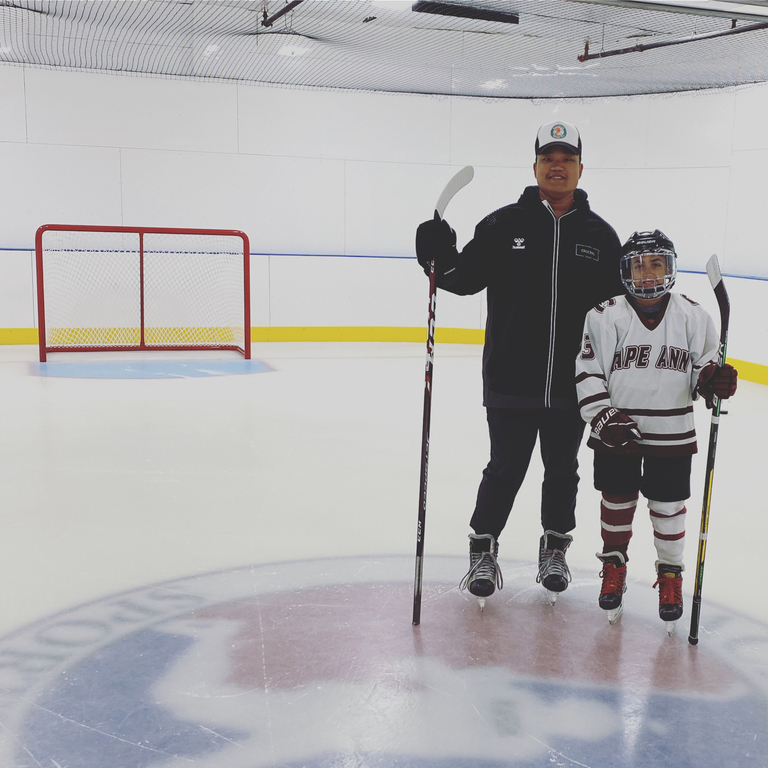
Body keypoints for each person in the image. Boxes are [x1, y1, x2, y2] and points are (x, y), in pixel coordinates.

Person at [415, 120, 623, 606]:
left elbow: (618, 312)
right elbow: (461, 277)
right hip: (510, 376)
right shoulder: (502, 225)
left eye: (567, 158)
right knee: (505, 466)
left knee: (563, 469)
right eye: (549, 158)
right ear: (534, 167)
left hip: (574, 382)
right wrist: (437, 256)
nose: (558, 166)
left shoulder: (600, 235)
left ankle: (554, 549)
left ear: (580, 168)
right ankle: (483, 550)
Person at [575, 230, 738, 628]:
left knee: (668, 506)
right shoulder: (603, 314)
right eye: (638, 265)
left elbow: (702, 367)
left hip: (672, 432)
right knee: (616, 500)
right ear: (625, 271)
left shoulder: (694, 315)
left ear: (670, 267)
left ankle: (670, 574)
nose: (647, 274)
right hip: (618, 430)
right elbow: (588, 371)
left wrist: (713, 381)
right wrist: (602, 415)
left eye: (656, 264)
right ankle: (614, 566)